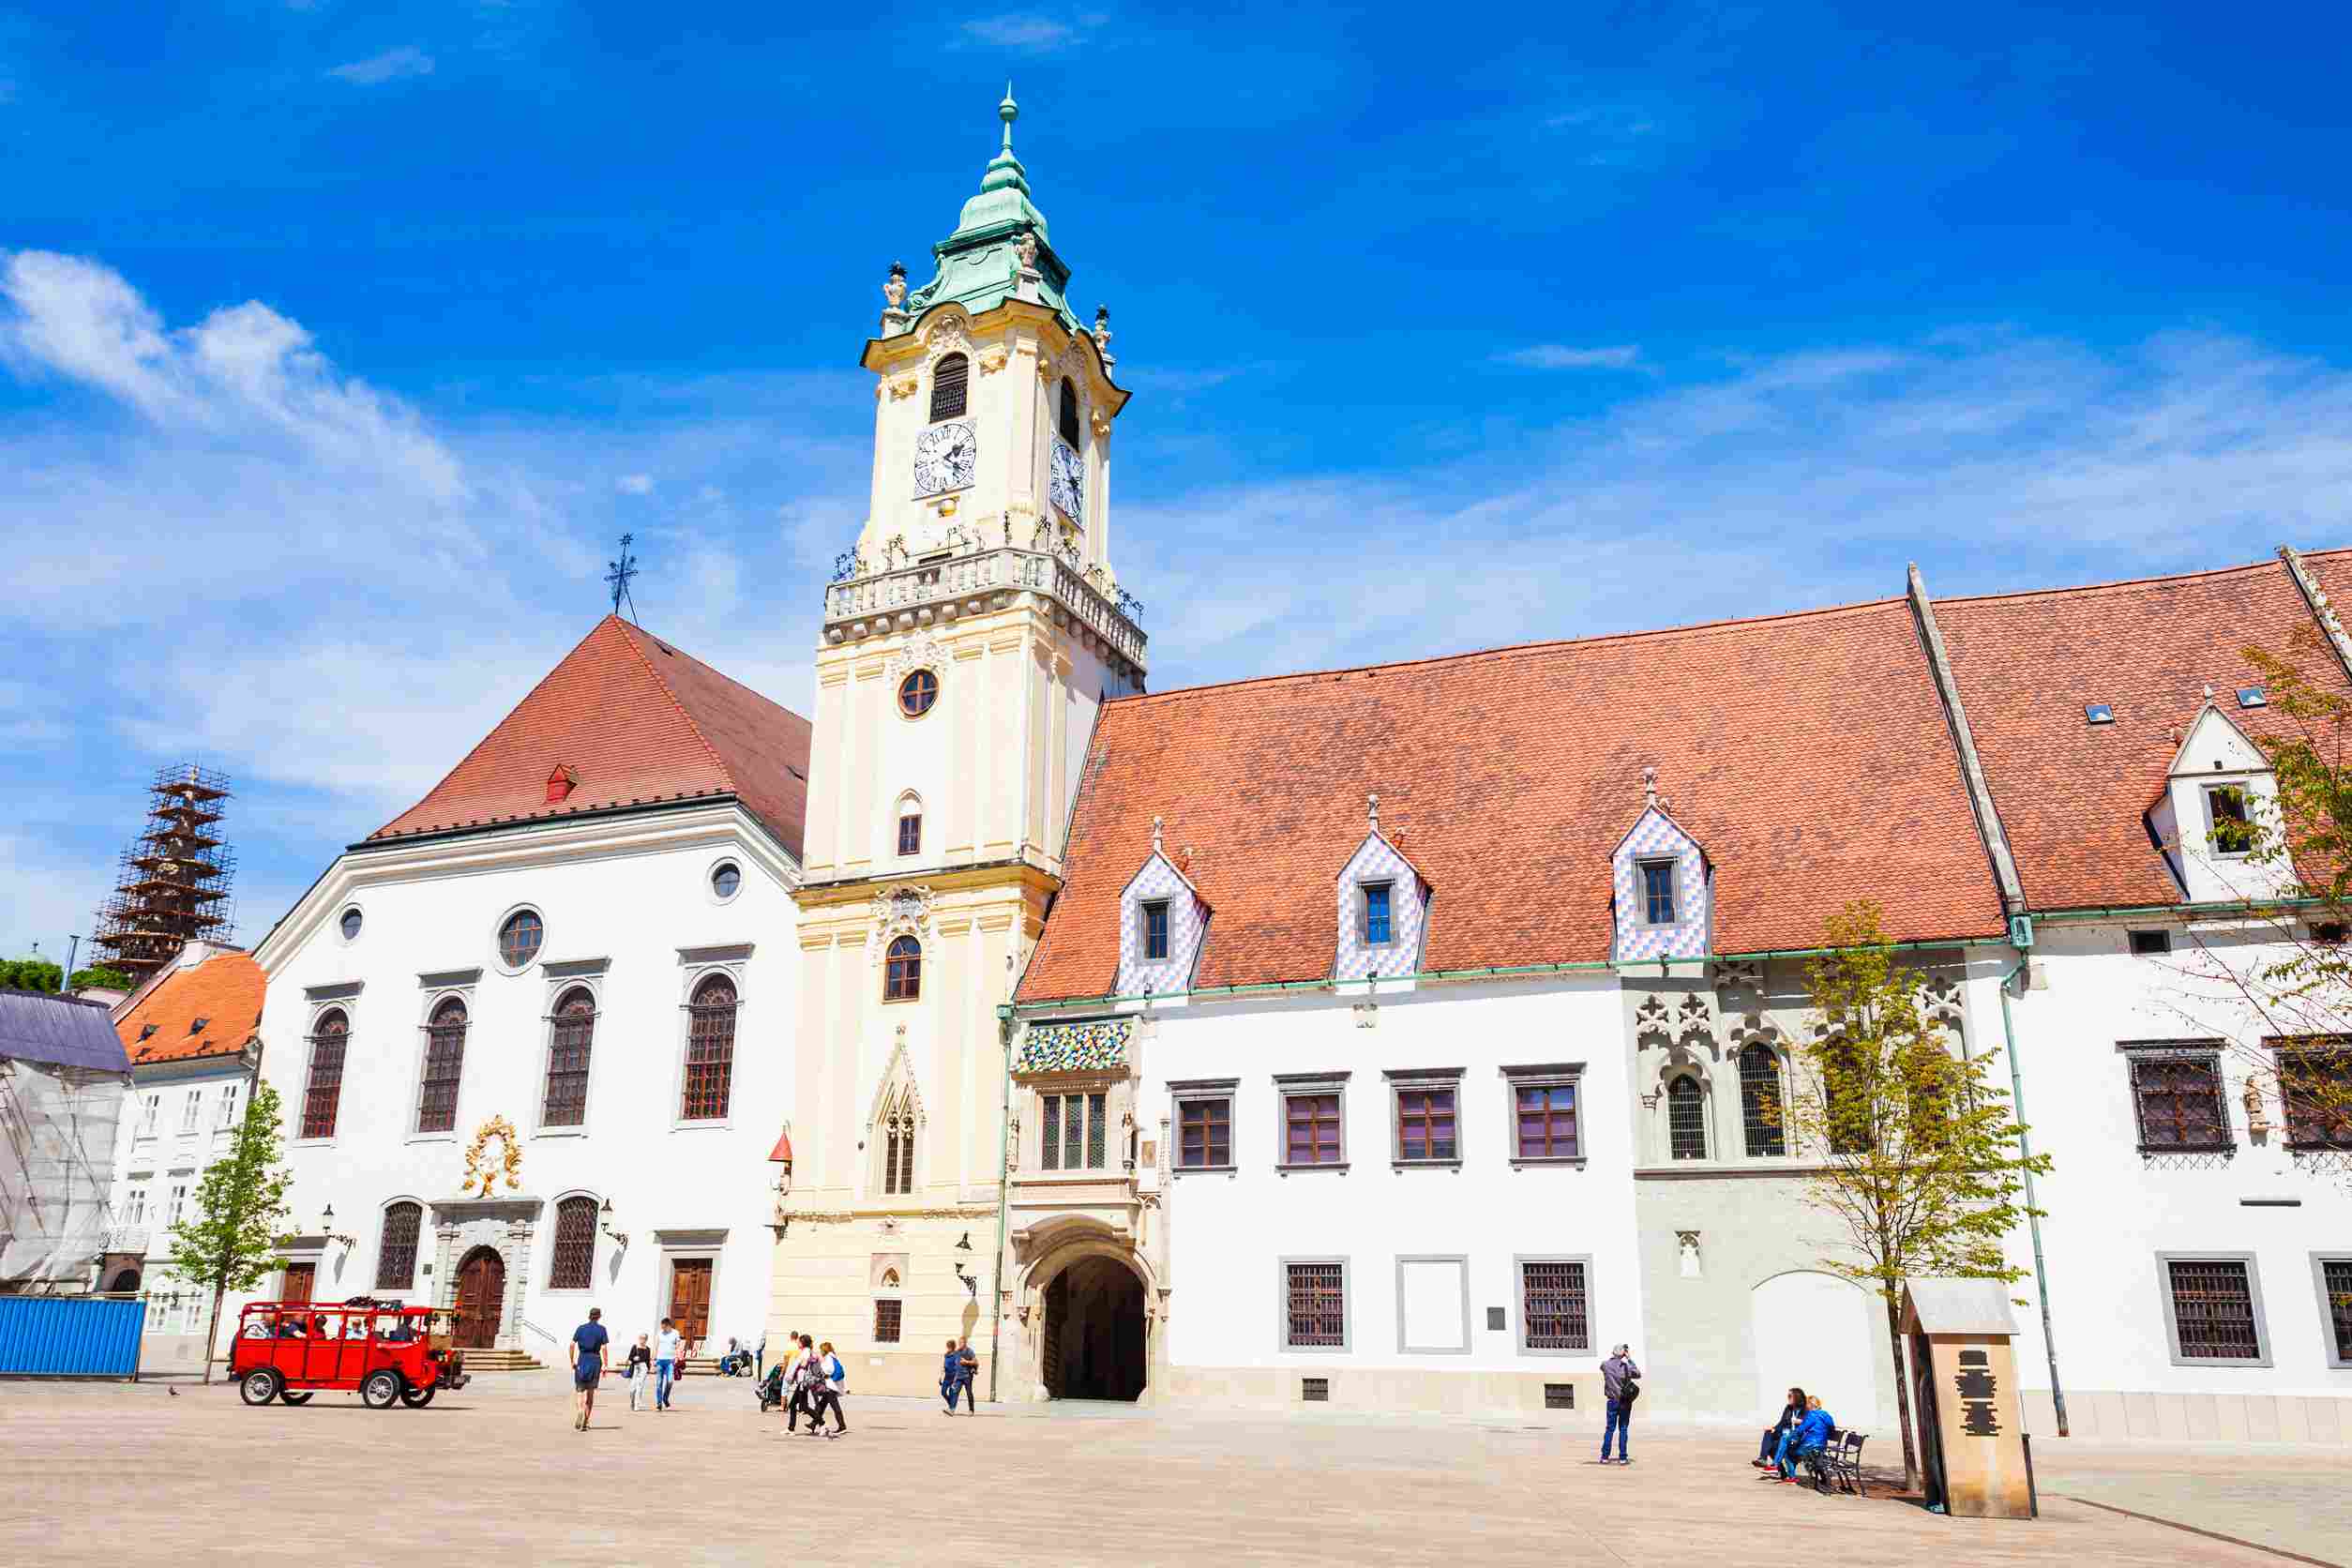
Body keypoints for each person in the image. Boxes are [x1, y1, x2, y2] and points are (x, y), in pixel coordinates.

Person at [1779, 1395, 1836, 1485]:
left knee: (1788, 1453)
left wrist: (1789, 1436)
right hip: (1822, 1446)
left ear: (1810, 1405)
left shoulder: (1812, 1415)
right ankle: (1823, 1477)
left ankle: (1792, 1478)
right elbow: (1832, 1427)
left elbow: (1801, 1429)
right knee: (1809, 1456)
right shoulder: (1826, 1414)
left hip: (1810, 1446)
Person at [1599, 1343, 1641, 1465]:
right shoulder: (1626, 1367)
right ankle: (1623, 1457)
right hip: (1624, 1402)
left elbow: (1602, 1367)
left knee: (1610, 1429)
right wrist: (1629, 1358)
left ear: (1613, 1353)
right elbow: (1638, 1374)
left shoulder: (1605, 1365)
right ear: (1623, 1353)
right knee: (1623, 1428)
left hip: (1612, 1401)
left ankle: (1604, 1457)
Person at [569, 1306, 610, 1432]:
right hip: (595, 1361)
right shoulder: (602, 1329)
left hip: (582, 1359)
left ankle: (580, 1410)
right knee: (590, 1393)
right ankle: (585, 1421)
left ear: (589, 1316)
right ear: (599, 1317)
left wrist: (572, 1361)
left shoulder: (581, 1328)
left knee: (580, 1390)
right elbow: (603, 1348)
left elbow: (571, 1345)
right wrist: (605, 1364)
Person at [1756, 1386, 1807, 1470]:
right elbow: (1782, 1423)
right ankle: (1763, 1459)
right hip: (1786, 1434)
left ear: (1797, 1397)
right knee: (1768, 1434)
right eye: (1788, 1396)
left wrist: (1800, 1421)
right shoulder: (1788, 1408)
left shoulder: (1805, 1409)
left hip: (1797, 1438)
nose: (1788, 1398)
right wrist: (1774, 1428)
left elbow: (1808, 1424)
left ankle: (1780, 1471)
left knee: (1772, 1445)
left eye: (1790, 1396)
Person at [805, 1339, 849, 1437]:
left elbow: (829, 1370)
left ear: (824, 1350)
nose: (820, 1351)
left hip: (830, 1386)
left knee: (835, 1407)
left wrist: (821, 1371)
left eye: (821, 1350)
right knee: (822, 1405)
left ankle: (842, 1426)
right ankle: (813, 1423)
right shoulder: (833, 1357)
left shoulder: (828, 1357)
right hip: (830, 1386)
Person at [653, 1317, 682, 1412]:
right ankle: (659, 1404)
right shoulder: (660, 1333)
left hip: (670, 1361)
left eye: (664, 1327)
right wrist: (653, 1359)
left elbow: (678, 1346)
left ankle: (665, 1398)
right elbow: (656, 1346)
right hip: (660, 1360)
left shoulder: (675, 1333)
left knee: (670, 1381)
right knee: (659, 1383)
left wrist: (678, 1357)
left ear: (669, 1326)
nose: (663, 1329)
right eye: (662, 1327)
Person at [624, 1333, 653, 1412]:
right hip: (635, 1367)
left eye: (644, 1338)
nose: (642, 1340)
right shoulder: (635, 1347)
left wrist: (648, 1369)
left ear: (646, 1340)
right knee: (632, 1389)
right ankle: (632, 1402)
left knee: (640, 1386)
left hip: (643, 1368)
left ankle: (637, 1404)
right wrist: (634, 1358)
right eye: (641, 1338)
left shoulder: (648, 1349)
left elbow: (647, 1361)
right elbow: (630, 1358)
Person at [940, 1337, 965, 1415]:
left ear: (953, 1347)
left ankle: (951, 1409)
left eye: (949, 1346)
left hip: (953, 1376)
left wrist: (955, 1379)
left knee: (951, 1393)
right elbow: (944, 1366)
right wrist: (941, 1376)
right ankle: (951, 1405)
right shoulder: (946, 1355)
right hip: (946, 1376)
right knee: (943, 1392)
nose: (948, 1348)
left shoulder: (956, 1355)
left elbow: (957, 1367)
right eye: (947, 1346)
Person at [956, 1338, 980, 1413]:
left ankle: (971, 1410)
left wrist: (966, 1362)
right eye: (959, 1343)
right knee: (955, 1392)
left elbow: (976, 1362)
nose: (959, 1344)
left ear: (965, 1343)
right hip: (959, 1376)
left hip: (967, 1376)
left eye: (961, 1343)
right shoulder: (957, 1352)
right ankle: (952, 1408)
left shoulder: (969, 1351)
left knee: (969, 1393)